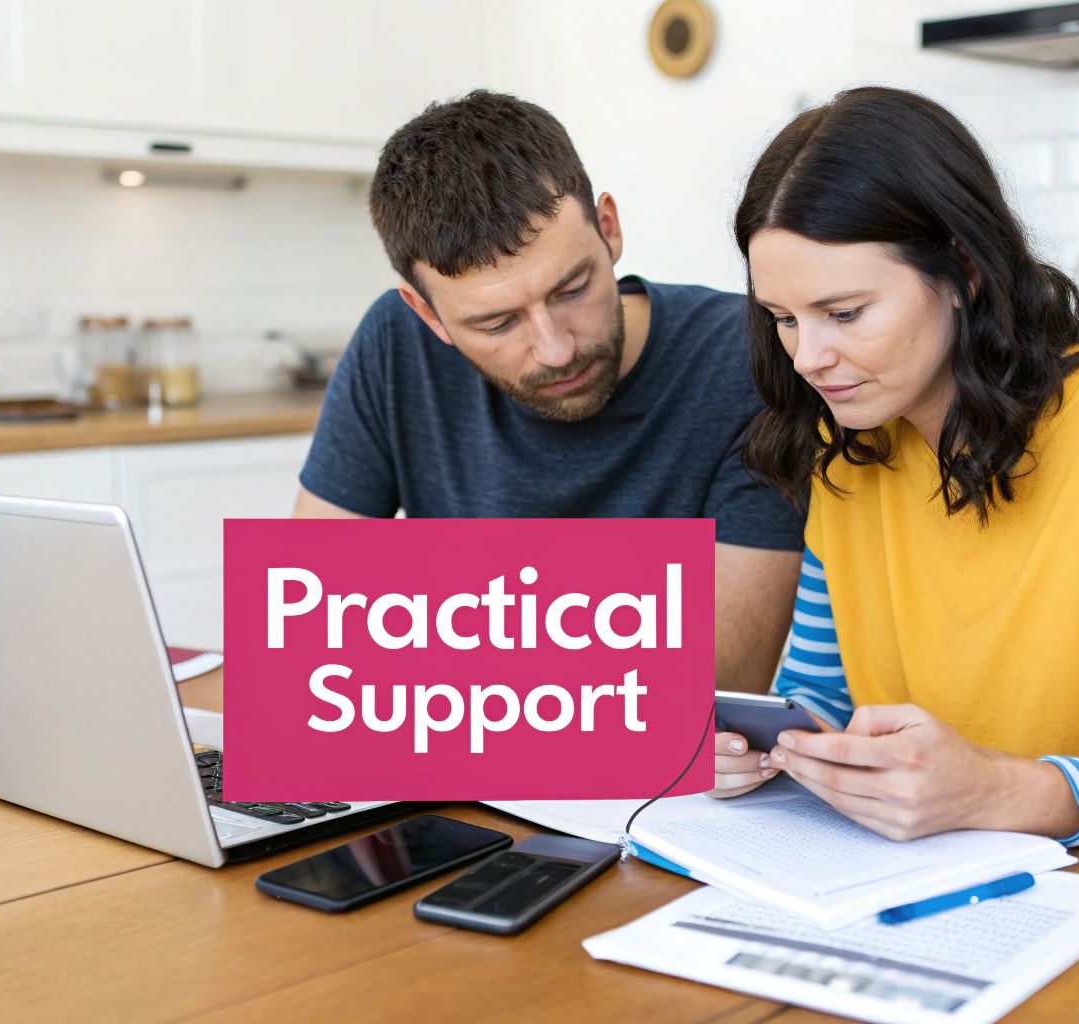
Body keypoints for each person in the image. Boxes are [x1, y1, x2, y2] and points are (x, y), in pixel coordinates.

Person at [714, 86, 1079, 872]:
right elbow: (821, 708)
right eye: (784, 318)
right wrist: (768, 754)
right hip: (922, 903)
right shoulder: (851, 456)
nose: (807, 357)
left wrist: (1006, 790)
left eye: (846, 312)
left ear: (962, 271)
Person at [295, 90, 803, 691]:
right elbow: (310, 638)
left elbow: (709, 691)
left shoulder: (746, 358)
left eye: (571, 289)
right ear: (429, 317)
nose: (556, 347)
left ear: (608, 229)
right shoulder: (397, 345)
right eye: (497, 323)